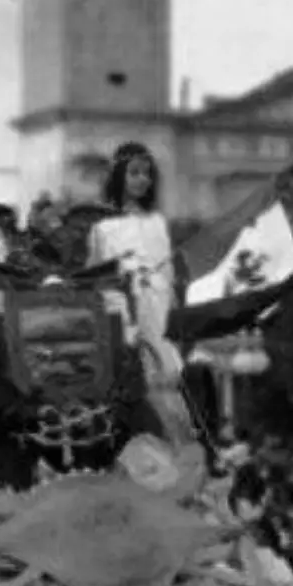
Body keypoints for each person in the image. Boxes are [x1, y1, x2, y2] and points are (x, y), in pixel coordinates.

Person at [84, 143, 193, 447]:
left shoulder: (158, 224)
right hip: (122, 317)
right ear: (119, 176)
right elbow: (95, 280)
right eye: (134, 173)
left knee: (166, 382)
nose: (141, 180)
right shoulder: (102, 228)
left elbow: (169, 276)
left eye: (146, 174)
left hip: (157, 311)